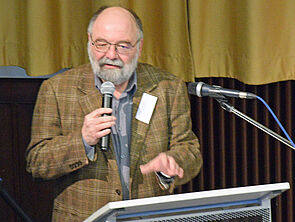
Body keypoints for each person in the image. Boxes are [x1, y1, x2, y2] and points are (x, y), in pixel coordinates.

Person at [26, 6, 203, 221]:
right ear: (89, 41)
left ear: (139, 47)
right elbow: (37, 162)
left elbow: (189, 150)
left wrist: (173, 162)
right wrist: (82, 141)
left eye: (123, 46)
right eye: (102, 44)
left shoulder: (167, 87)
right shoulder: (57, 89)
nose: (111, 55)